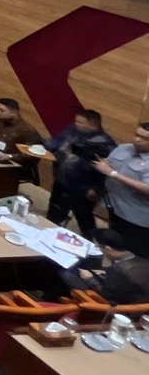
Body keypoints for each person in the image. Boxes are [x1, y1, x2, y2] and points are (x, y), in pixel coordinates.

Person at [44, 109, 116, 237]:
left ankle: (91, 242)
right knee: (54, 212)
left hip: (84, 188)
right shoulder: (71, 130)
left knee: (84, 218)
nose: (76, 124)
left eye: (80, 122)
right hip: (62, 181)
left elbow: (110, 173)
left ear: (93, 125)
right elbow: (53, 144)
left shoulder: (106, 145)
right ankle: (48, 235)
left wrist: (97, 190)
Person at [94, 121, 149, 256]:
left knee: (131, 255)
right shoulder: (124, 148)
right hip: (115, 208)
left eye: (145, 138)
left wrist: (113, 174)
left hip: (135, 217)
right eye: (136, 135)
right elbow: (108, 164)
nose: (137, 140)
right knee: (113, 245)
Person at [60, 228, 149, 300]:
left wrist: (90, 279)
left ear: (108, 248)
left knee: (66, 273)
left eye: (98, 247)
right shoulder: (142, 260)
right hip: (136, 296)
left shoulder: (118, 269)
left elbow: (106, 295)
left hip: (117, 304)